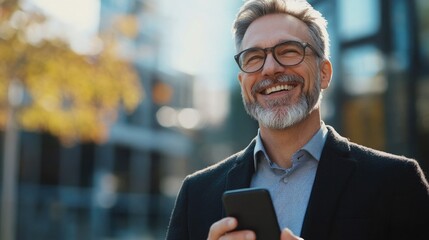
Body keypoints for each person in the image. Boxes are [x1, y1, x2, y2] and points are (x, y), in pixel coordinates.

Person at [166, 0, 429, 239]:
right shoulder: (196, 193)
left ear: (324, 73)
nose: (269, 68)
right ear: (242, 82)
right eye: (254, 57)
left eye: (289, 51)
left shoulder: (396, 182)